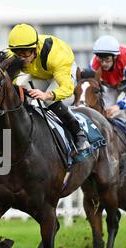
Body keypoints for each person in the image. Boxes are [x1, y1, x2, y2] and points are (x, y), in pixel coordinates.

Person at [7, 23, 90, 154]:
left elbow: (67, 89)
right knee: (18, 92)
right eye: (17, 54)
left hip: (61, 73)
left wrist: (47, 95)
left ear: (35, 49)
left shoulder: (57, 56)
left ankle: (79, 134)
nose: (21, 58)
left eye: (26, 52)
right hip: (38, 73)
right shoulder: (11, 55)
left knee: (48, 101)